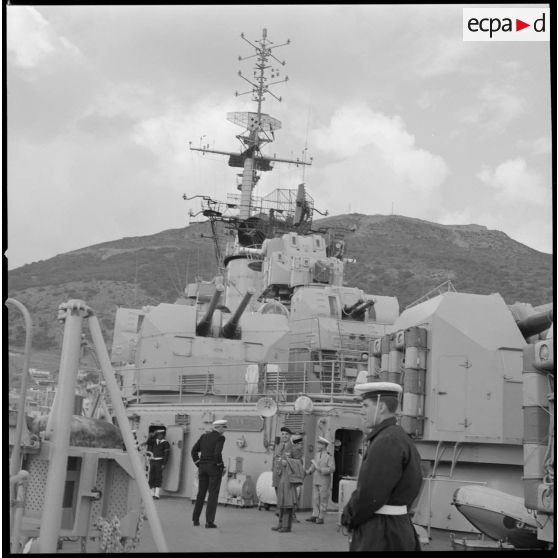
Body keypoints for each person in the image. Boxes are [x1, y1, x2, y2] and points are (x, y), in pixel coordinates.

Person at [340, 382, 423, 551]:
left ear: (382, 406)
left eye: (365, 405)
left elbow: (370, 494)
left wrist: (348, 518)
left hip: (381, 534)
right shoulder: (398, 437)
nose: (361, 411)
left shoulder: (386, 441)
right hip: (396, 528)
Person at [191, 419, 227, 528]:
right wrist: (221, 466)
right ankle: (209, 522)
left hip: (202, 468)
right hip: (214, 469)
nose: (225, 429)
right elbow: (217, 454)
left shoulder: (204, 437)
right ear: (219, 427)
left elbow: (193, 451)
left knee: (201, 494)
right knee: (213, 495)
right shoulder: (220, 438)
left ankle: (196, 519)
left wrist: (199, 464)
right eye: (224, 427)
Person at [271, 426, 304, 533]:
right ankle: (280, 524)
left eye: (286, 434)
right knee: (280, 502)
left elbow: (299, 462)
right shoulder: (279, 446)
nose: (284, 436)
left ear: (290, 436)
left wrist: (288, 462)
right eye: (283, 434)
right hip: (278, 477)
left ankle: (286, 526)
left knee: (287, 502)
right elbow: (276, 460)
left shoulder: (294, 446)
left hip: (288, 478)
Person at [305, 436, 335, 524]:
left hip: (324, 480)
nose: (317, 445)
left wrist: (321, 470)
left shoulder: (329, 456)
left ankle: (321, 517)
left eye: (319, 444)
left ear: (324, 445)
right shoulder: (317, 454)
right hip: (316, 479)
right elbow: (314, 465)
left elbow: (332, 469)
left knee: (323, 499)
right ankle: (315, 515)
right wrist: (308, 471)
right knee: (315, 498)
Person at [143, 428, 170, 499]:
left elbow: (166, 454)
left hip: (159, 461)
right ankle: (151, 493)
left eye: (159, 435)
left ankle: (157, 494)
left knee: (158, 477)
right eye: (157, 435)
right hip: (152, 461)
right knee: (151, 477)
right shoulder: (154, 441)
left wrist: (164, 464)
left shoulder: (166, 443)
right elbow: (148, 442)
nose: (158, 436)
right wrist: (152, 435)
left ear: (162, 435)